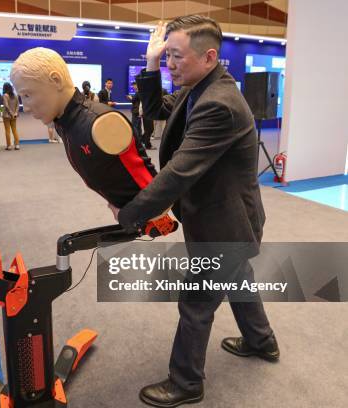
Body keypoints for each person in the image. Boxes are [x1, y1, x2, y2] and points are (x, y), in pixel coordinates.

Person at [115, 16, 278, 407]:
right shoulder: (200, 87)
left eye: (175, 56)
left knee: (197, 301)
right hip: (226, 218)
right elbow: (154, 111)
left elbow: (179, 173)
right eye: (166, 55)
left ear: (209, 56)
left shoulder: (218, 103)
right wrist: (151, 63)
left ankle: (186, 382)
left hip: (225, 224)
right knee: (239, 279)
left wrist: (130, 213)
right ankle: (262, 341)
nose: (170, 63)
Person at [10, 47, 177, 238]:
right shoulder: (62, 122)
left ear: (55, 80)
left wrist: (129, 215)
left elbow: (146, 177)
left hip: (151, 214)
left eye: (28, 95)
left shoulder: (101, 122)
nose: (26, 106)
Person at [2, 82, 21, 150]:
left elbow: (6, 106)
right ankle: (17, 145)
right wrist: (15, 113)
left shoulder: (5, 95)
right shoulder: (15, 95)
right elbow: (18, 105)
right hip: (14, 116)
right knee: (14, 130)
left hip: (7, 116)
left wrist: (11, 113)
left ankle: (9, 146)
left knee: (7, 131)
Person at [127, 82, 144, 148]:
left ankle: (136, 141)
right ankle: (139, 140)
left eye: (134, 85)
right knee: (138, 126)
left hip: (136, 111)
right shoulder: (140, 92)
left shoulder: (138, 92)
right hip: (138, 111)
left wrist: (130, 98)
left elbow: (133, 100)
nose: (133, 87)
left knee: (135, 126)